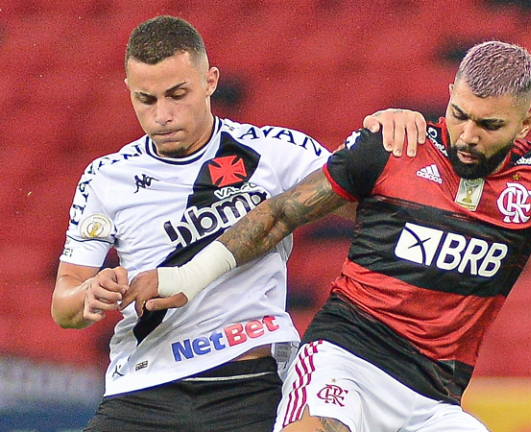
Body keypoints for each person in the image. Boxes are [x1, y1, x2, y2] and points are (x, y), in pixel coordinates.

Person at [123, 41, 531, 432]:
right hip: (346, 357)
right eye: (459, 115)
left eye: (489, 125)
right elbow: (281, 213)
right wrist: (185, 277)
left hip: (434, 397)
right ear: (448, 96)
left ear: (526, 122)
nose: (467, 134)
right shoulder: (393, 146)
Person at [50, 15, 427, 432]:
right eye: (146, 99)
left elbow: (379, 208)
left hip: (250, 383)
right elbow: (64, 306)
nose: (163, 115)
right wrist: (90, 293)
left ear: (210, 80)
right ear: (128, 90)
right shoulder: (106, 177)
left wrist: (388, 133)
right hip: (143, 386)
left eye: (178, 95)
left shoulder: (276, 152)